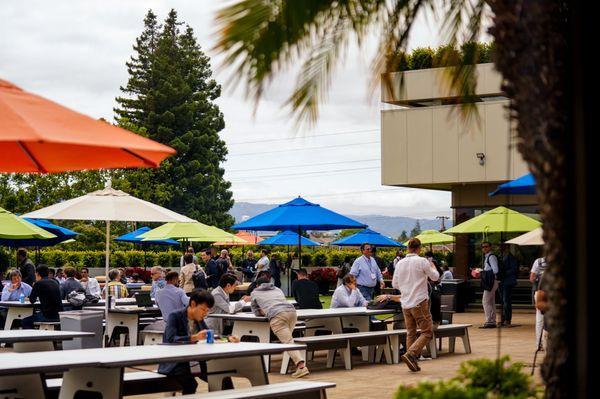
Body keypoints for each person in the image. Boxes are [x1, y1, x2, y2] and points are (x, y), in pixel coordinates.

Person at [158, 290, 240, 394]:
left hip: (196, 361)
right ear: (193, 304)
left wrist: (228, 338)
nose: (205, 314)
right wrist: (194, 337)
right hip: (176, 363)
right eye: (203, 310)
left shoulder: (199, 318)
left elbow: (208, 335)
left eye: (207, 311)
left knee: (223, 378)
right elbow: (170, 339)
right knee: (191, 384)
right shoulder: (175, 316)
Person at [392, 238, 439, 372]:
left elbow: (395, 284)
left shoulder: (400, 263)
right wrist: (433, 267)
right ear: (419, 248)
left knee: (411, 333)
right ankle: (411, 354)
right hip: (419, 301)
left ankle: (412, 362)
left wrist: (406, 285)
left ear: (408, 248)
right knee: (427, 331)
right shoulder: (422, 261)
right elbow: (435, 277)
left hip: (405, 302)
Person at [250, 276, 309, 378]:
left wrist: (264, 310)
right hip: (292, 312)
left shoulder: (255, 292)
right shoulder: (277, 289)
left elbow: (256, 312)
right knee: (289, 341)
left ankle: (301, 367)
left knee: (288, 342)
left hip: (277, 315)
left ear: (257, 285)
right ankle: (292, 365)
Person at [480, 241, 499, 328]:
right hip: (491, 281)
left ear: (490, 247)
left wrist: (483, 272)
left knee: (485, 301)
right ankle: (492, 320)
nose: (484, 248)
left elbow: (495, 270)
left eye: (486, 246)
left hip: (491, 281)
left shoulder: (491, 257)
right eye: (483, 247)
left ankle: (489, 321)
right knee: (491, 302)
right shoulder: (488, 257)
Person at [499, 243, 519, 327]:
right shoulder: (500, 256)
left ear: (507, 247)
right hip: (501, 282)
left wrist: (503, 273)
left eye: (502, 246)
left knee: (506, 300)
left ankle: (507, 320)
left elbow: (514, 269)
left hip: (509, 281)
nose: (500, 248)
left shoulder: (511, 257)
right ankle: (503, 319)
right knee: (502, 301)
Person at [530, 256, 547, 349]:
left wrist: (538, 278)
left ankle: (538, 344)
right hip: (554, 293)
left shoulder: (538, 261)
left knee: (540, 319)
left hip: (540, 292)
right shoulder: (560, 260)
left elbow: (532, 278)